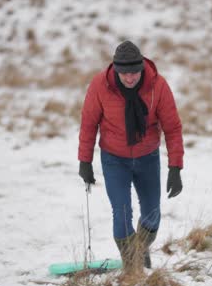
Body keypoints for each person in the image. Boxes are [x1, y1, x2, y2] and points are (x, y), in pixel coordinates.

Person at [78, 40, 184, 272]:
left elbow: (172, 128)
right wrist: (84, 161)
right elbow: (88, 124)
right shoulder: (100, 85)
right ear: (116, 70)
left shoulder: (158, 86)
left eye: (134, 72)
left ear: (142, 69)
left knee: (152, 212)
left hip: (148, 157)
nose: (129, 78)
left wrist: (175, 167)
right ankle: (133, 267)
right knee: (122, 211)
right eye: (124, 73)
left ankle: (140, 247)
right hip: (114, 159)